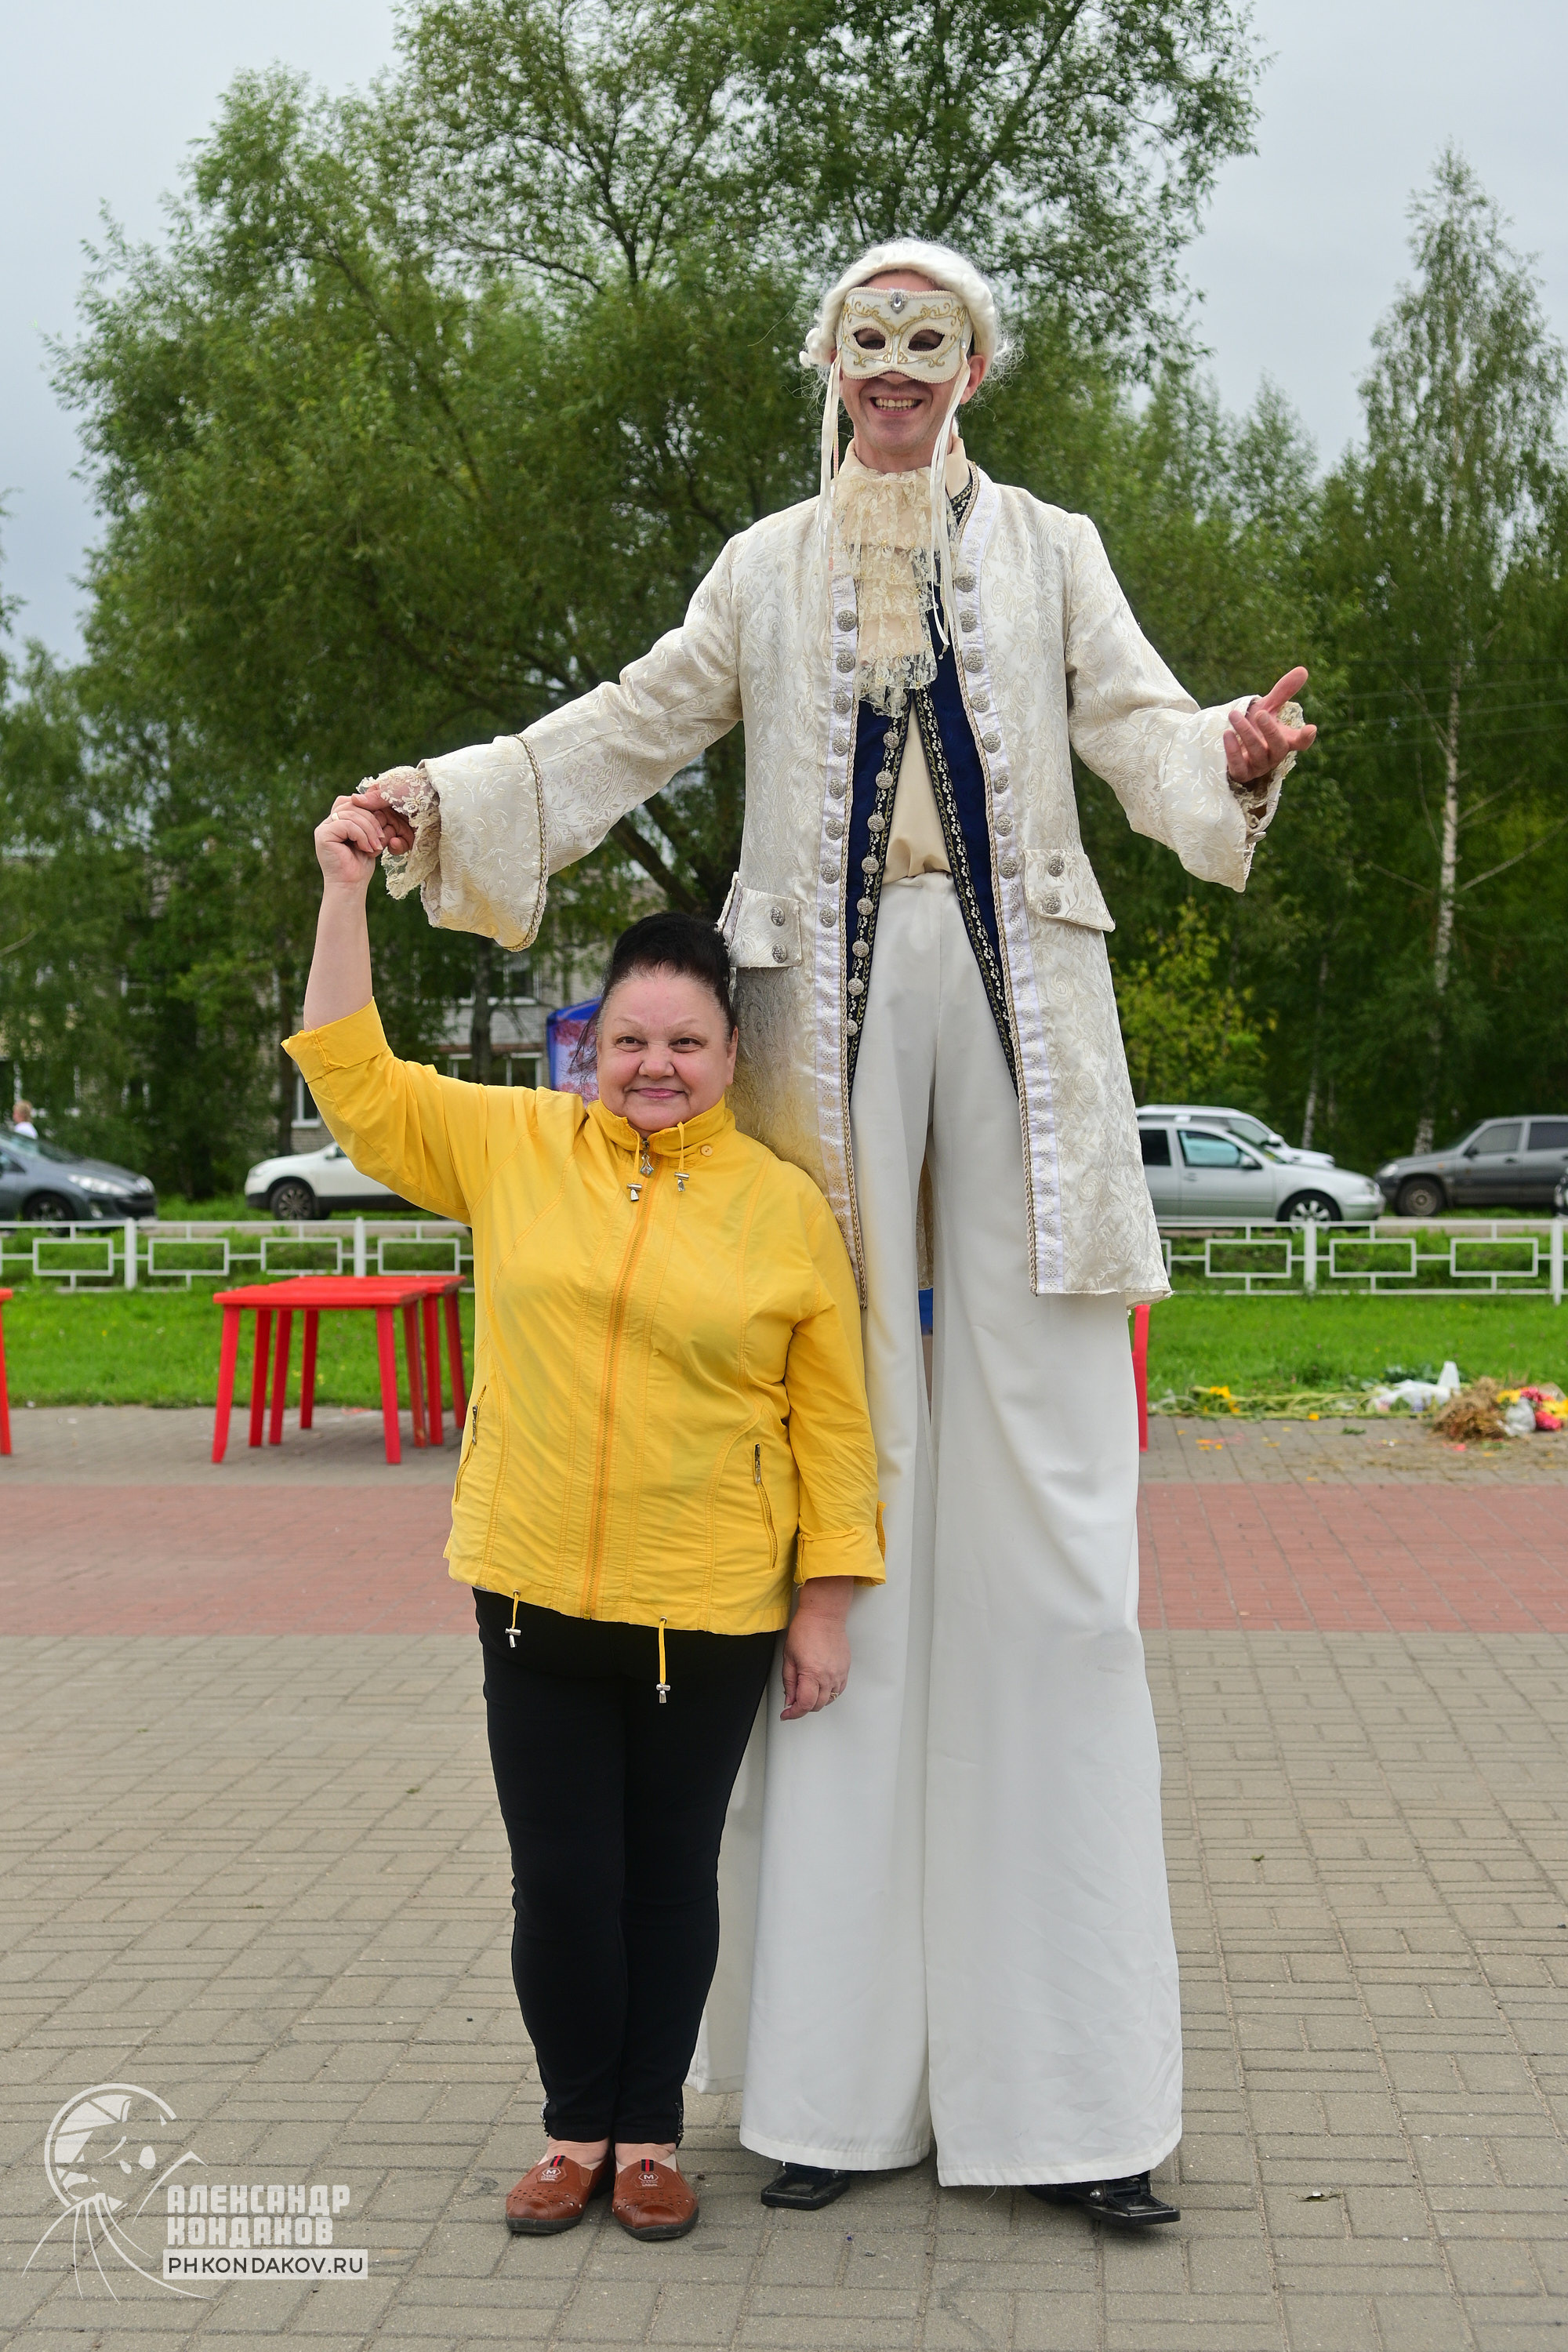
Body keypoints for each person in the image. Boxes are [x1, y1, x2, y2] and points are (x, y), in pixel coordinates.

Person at [353, 237, 1316, 2223]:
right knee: (839, 1507)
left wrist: (1225, 752)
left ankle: (1080, 2107)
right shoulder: (763, 568)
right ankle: (824, 2091)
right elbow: (625, 726)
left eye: (930, 341)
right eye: (869, 341)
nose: (897, 369)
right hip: (827, 1012)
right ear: (832, 363)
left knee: (1057, 1547)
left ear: (977, 366)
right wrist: (441, 797)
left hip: (1024, 997)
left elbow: (1141, 727)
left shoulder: (1049, 547)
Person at [286, 800, 885, 2243]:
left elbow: (834, 1422)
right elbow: (354, 1084)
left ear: (731, 1059)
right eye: (630, 1040)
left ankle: (654, 2137)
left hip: (711, 1606)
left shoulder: (786, 1208)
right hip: (532, 1585)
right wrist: (344, 893)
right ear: (589, 1048)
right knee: (561, 1881)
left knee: (668, 1877)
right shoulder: (513, 1147)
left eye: (685, 1043)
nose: (655, 1067)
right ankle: (573, 2133)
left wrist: (824, 1603)